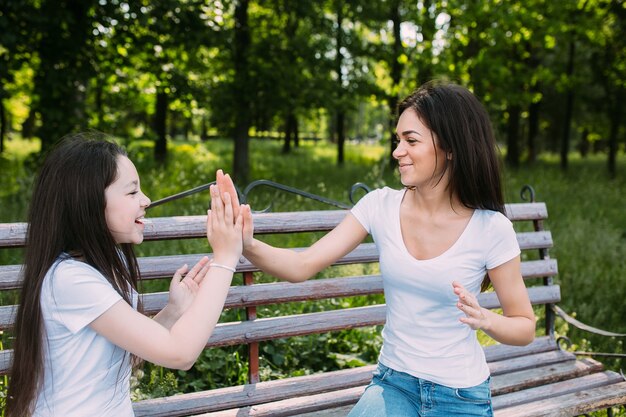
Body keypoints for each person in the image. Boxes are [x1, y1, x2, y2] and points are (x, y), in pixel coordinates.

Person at [216, 81, 536, 416]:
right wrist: (246, 242)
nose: (398, 151)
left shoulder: (490, 228)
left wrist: (486, 319)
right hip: (394, 384)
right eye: (398, 140)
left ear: (451, 148)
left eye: (411, 140)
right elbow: (302, 265)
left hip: (460, 395)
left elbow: (524, 326)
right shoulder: (379, 206)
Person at [7, 135, 242, 417]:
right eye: (132, 193)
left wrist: (173, 311)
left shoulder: (103, 263)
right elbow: (181, 353)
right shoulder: (70, 279)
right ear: (88, 203)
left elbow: (121, 358)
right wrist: (226, 257)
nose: (146, 200)